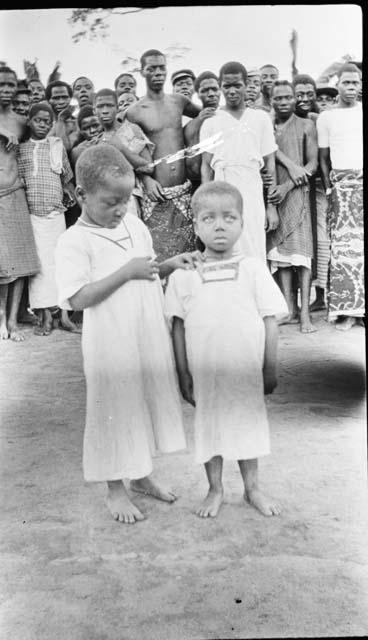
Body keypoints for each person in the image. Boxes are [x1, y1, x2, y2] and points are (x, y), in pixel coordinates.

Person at [55, 144, 200, 523]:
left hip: (145, 332)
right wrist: (124, 274)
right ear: (80, 195)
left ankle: (140, 475)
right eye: (110, 202)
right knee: (115, 410)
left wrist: (170, 265)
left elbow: (146, 269)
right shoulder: (74, 241)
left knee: (142, 403)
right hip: (111, 342)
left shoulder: (134, 224)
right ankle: (114, 489)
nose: (120, 209)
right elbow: (75, 299)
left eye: (125, 199)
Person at [165, 181, 288, 518]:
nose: (219, 225)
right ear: (196, 224)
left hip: (246, 367)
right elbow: (176, 325)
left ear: (242, 222)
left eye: (228, 217)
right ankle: (215, 488)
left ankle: (252, 489)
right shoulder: (184, 274)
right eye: (209, 218)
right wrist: (183, 372)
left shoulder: (253, 268)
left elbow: (270, 319)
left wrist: (270, 368)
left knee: (247, 425)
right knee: (210, 426)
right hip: (205, 370)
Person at [126, 49, 200, 260]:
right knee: (160, 259)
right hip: (156, 196)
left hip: (183, 192)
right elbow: (128, 154)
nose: (158, 72)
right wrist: (145, 179)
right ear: (142, 72)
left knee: (188, 260)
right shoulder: (134, 111)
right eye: (152, 68)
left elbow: (204, 118)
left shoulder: (179, 101)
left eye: (162, 67)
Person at [200, 61, 278, 261]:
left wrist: (271, 206)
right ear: (220, 86)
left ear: (246, 85)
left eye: (237, 85)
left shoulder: (260, 119)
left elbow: (270, 163)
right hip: (222, 187)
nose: (232, 91)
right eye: (227, 86)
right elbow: (206, 167)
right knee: (224, 243)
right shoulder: (211, 121)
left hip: (252, 188)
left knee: (253, 243)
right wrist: (205, 205)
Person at [17, 101, 78, 336]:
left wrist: (72, 200)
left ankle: (63, 314)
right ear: (30, 122)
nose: (43, 124)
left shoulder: (56, 145)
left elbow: (67, 180)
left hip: (55, 214)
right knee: (39, 267)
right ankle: (44, 315)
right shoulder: (20, 149)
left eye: (47, 121)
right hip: (32, 214)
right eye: (38, 120)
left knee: (60, 262)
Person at [267, 81, 318, 333]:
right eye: (279, 98)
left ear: (295, 99)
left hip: (298, 193)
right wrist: (278, 188)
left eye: (288, 97)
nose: (284, 101)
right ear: (271, 100)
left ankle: (306, 313)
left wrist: (288, 185)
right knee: (282, 255)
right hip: (274, 194)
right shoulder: (267, 127)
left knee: (302, 255)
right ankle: (289, 308)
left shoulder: (307, 125)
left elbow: (312, 165)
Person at [317, 63, 363, 330]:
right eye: (346, 83)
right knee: (344, 250)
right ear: (338, 85)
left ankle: (362, 312)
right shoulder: (327, 118)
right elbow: (324, 159)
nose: (351, 88)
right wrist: (330, 187)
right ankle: (346, 312)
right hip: (341, 188)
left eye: (355, 83)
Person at [0, 66, 39, 341]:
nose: (5, 89)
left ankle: (12, 322)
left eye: (10, 85)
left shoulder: (20, 120)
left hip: (15, 192)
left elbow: (49, 124)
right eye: (1, 84)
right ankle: (1, 319)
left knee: (20, 260)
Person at [94, 88, 155, 217]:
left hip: (128, 200)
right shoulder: (97, 140)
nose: (105, 110)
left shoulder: (131, 130)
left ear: (117, 108)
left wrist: (121, 148)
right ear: (95, 111)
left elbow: (149, 167)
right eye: (100, 106)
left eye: (109, 106)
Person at [310, 84, 338, 313]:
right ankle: (320, 294)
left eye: (330, 99)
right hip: (320, 189)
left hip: (344, 186)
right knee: (322, 241)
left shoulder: (341, 122)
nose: (325, 103)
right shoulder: (314, 123)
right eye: (320, 99)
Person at [183, 71, 220, 189]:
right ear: (198, 94)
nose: (211, 94)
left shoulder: (229, 118)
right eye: (205, 90)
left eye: (214, 89)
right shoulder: (190, 124)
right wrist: (199, 120)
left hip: (221, 180)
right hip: (192, 185)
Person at [45, 80, 78, 151]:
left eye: (65, 97)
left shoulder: (76, 124)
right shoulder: (42, 122)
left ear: (70, 99)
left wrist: (61, 120)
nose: (61, 102)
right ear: (48, 101)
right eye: (56, 98)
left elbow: (64, 149)